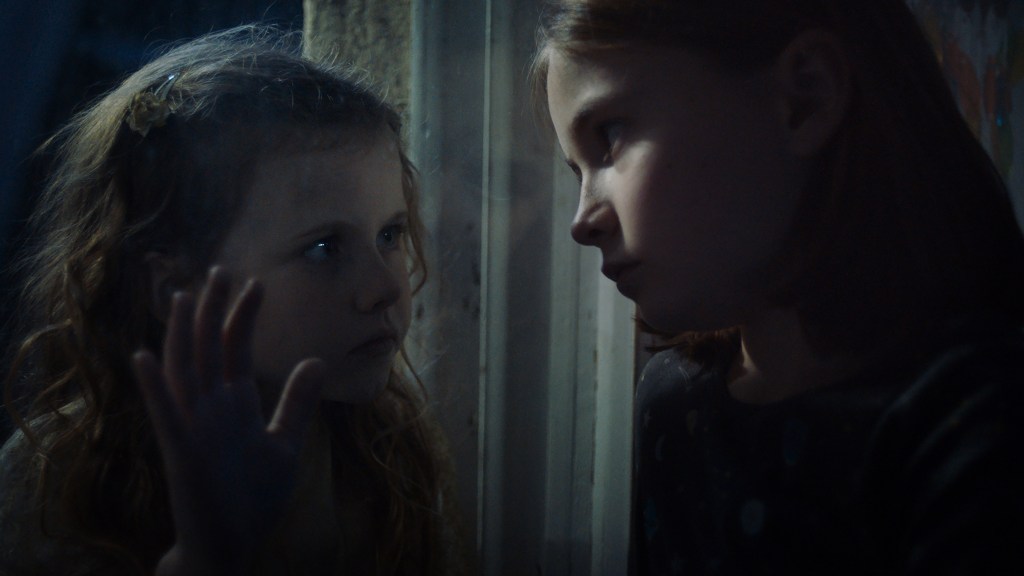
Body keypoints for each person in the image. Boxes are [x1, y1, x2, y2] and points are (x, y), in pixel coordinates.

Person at [532, 0, 1024, 574]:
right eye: (577, 171)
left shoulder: (981, 416)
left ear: (804, 98)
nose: (581, 222)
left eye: (610, 136)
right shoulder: (672, 406)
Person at [0, 25, 469, 576]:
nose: (385, 287)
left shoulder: (391, 450)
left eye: (390, 234)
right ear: (176, 289)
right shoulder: (57, 483)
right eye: (322, 248)